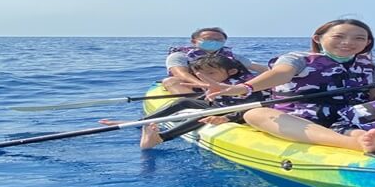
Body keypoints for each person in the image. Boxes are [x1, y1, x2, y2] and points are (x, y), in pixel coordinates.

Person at [206, 19, 375, 153]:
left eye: (359, 39)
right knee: (255, 114)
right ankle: (354, 144)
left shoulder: (367, 65)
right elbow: (280, 75)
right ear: (319, 38)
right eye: (339, 36)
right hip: (302, 116)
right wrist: (244, 88)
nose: (348, 43)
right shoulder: (298, 58)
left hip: (351, 115)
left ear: (367, 43)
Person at [102, 53, 262, 149]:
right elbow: (209, 96)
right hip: (223, 105)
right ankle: (142, 122)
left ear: (232, 71)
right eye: (199, 74)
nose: (205, 78)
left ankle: (162, 137)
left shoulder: (243, 82)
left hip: (243, 110)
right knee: (183, 102)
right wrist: (201, 98)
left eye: (211, 73)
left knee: (205, 114)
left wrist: (228, 117)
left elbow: (250, 107)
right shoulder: (219, 80)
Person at [163, 27, 267, 94]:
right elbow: (180, 74)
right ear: (194, 41)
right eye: (208, 39)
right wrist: (204, 85)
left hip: (228, 85)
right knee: (171, 81)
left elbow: (257, 67)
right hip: (195, 86)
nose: (214, 42)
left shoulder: (232, 56)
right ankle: (196, 106)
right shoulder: (179, 56)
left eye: (218, 40)